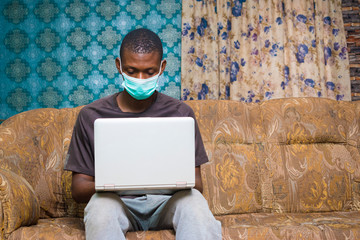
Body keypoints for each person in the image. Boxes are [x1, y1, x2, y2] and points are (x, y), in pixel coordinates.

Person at [65, 28, 222, 240]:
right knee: (100, 209)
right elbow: (78, 189)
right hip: (117, 204)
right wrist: (118, 183)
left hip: (167, 204)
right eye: (131, 71)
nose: (140, 79)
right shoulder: (91, 116)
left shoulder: (181, 114)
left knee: (194, 203)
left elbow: (197, 183)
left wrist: (161, 180)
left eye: (149, 72)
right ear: (119, 66)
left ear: (162, 67)